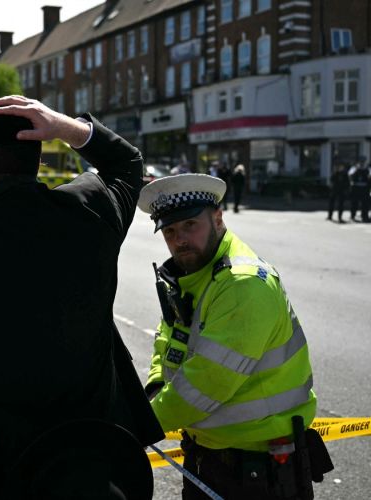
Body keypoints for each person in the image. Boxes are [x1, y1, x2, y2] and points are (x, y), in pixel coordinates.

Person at [0, 96, 163, 500]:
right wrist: (66, 127)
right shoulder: (89, 211)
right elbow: (127, 164)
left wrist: (15, 442)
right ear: (37, 162)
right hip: (90, 471)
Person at [137, 173, 332, 499]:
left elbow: (203, 386)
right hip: (211, 457)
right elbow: (168, 336)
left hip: (256, 470)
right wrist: (157, 383)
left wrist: (138, 425)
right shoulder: (191, 273)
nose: (180, 239)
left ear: (217, 219)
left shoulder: (242, 284)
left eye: (190, 225)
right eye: (170, 231)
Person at [348, 156, 370, 222]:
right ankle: (353, 215)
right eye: (361, 161)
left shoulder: (367, 168)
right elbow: (349, 175)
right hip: (356, 187)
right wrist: (351, 182)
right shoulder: (354, 168)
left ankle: (364, 216)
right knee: (354, 202)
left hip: (364, 188)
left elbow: (370, 176)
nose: (362, 162)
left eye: (363, 161)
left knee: (365, 203)